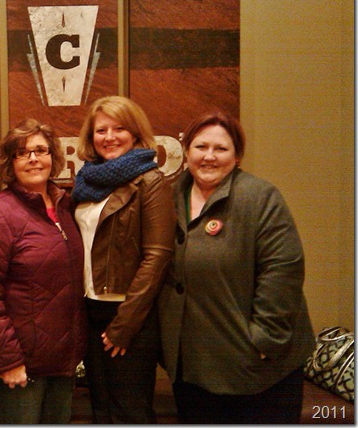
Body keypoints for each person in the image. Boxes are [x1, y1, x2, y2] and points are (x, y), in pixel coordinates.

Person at [157, 111, 316, 424]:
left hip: (260, 371)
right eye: (201, 147)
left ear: (237, 156)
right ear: (186, 151)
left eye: (221, 148)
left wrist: (264, 341)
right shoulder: (170, 197)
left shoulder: (260, 197)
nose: (209, 156)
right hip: (193, 371)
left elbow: (283, 271)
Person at [0, 118, 87, 424]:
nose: (33, 158)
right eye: (22, 153)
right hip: (20, 367)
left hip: (62, 362)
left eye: (41, 150)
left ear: (53, 157)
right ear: (10, 162)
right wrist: (7, 360)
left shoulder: (65, 206)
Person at [71, 95, 176, 423]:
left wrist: (125, 323)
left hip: (130, 316)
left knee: (130, 413)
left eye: (119, 129)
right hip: (90, 311)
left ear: (135, 133)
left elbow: (158, 256)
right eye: (101, 130)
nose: (109, 137)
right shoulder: (86, 181)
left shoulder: (151, 182)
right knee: (101, 410)